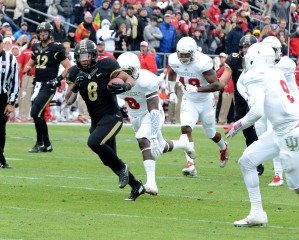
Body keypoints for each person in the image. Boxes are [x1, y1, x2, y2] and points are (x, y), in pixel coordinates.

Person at [227, 42, 299, 227]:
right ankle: (257, 213)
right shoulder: (276, 71)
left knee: (298, 188)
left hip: (291, 132)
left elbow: (257, 111)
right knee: (247, 161)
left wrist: (237, 125)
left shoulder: (254, 74)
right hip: (281, 129)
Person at [65, 40, 145, 201]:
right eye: (81, 57)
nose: (84, 60)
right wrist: (76, 86)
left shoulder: (107, 64)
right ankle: (137, 186)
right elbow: (69, 100)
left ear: (94, 55)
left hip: (112, 116)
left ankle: (123, 168)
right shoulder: (74, 72)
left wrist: (125, 87)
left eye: (87, 56)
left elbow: (130, 80)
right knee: (109, 159)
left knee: (94, 142)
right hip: (96, 119)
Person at [117, 52, 196, 195]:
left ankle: (151, 183)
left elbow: (153, 110)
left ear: (136, 69)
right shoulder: (114, 79)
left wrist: (152, 134)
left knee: (143, 138)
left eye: (128, 72)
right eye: (123, 72)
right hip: (135, 116)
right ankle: (183, 143)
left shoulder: (147, 79)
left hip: (151, 114)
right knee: (159, 147)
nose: (126, 76)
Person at [195, 35, 264, 175]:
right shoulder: (235, 58)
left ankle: (262, 161)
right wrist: (205, 87)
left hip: (259, 97)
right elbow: (222, 82)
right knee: (247, 130)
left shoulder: (263, 59)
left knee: (263, 128)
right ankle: (257, 162)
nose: (246, 50)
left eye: (248, 47)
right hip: (240, 98)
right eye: (244, 47)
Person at [168, 37, 229, 176]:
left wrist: (197, 89)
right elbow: (171, 73)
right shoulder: (173, 60)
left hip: (205, 101)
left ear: (193, 53)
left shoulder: (202, 62)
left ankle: (223, 147)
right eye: (181, 54)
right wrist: (171, 91)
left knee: (211, 134)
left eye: (186, 55)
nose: (183, 58)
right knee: (185, 130)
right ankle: (191, 165)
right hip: (188, 100)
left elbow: (217, 84)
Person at [254, 36, 299, 186]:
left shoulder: (285, 64)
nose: (271, 53)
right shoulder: (258, 64)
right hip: (262, 105)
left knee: (277, 137)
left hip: (280, 107)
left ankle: (278, 175)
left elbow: (293, 88)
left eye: (274, 50)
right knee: (261, 134)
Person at [24, 22, 71, 153]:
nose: (42, 34)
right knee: (39, 114)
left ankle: (39, 143)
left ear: (50, 33)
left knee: (35, 112)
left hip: (48, 85)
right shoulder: (36, 46)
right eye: (40, 32)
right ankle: (47, 144)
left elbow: (68, 67)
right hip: (37, 84)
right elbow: (30, 63)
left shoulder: (56, 47)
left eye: (45, 32)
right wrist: (28, 67)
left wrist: (58, 79)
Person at [0, 33, 19, 168]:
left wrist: (11, 103)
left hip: (1, 97)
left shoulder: (11, 58)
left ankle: (0, 160)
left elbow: (15, 82)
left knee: (1, 129)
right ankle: (2, 160)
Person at [17, 36, 38, 122]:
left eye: (36, 42)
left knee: (36, 98)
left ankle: (34, 117)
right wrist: (19, 77)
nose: (35, 43)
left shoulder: (42, 53)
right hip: (27, 77)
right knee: (24, 96)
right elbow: (19, 65)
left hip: (38, 77)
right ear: (30, 42)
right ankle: (24, 116)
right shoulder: (25, 52)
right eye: (33, 41)